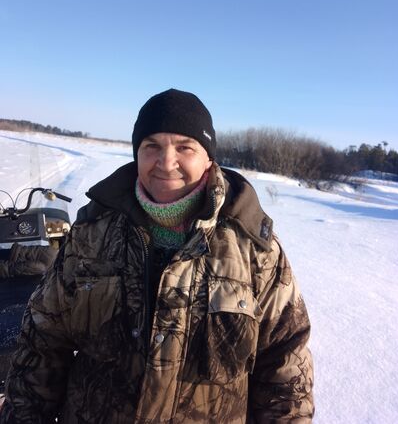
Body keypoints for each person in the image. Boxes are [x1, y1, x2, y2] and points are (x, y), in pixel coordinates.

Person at [0, 89, 314, 423]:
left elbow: (285, 368)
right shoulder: (92, 234)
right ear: (137, 154)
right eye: (151, 146)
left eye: (185, 147)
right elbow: (43, 340)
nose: (166, 162)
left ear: (209, 159)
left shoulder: (254, 249)